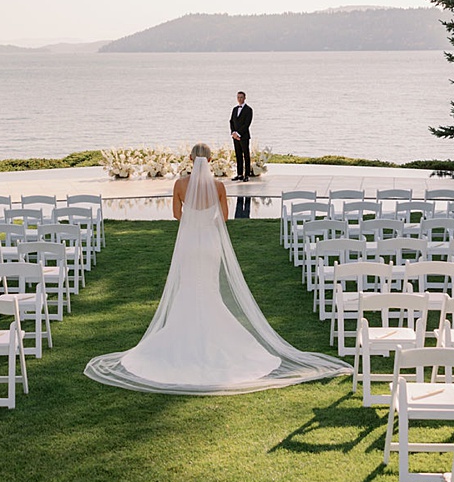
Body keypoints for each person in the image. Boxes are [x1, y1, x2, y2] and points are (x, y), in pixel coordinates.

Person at [86, 144, 348, 394]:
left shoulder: (179, 185)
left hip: (189, 242)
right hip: (210, 242)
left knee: (188, 286)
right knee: (209, 288)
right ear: (210, 160)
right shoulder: (218, 185)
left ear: (191, 159)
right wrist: (207, 220)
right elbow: (223, 217)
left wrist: (193, 219)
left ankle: (182, 335)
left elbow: (177, 215)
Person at [230, 91, 254, 181]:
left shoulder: (249, 110)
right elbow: (231, 121)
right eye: (238, 97)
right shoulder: (235, 109)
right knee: (238, 155)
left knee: (246, 155)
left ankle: (247, 175)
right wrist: (233, 133)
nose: (239, 99)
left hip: (244, 136)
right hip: (235, 136)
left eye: (241, 97)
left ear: (244, 98)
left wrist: (239, 133)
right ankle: (239, 174)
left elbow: (247, 124)